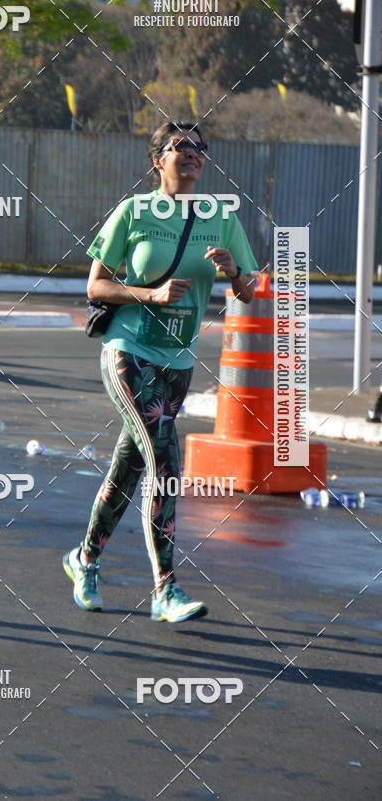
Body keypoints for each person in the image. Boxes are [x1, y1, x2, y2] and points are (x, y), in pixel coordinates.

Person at [63, 121, 257, 622]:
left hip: (179, 361)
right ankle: (165, 589)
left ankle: (84, 559)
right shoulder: (134, 211)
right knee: (166, 463)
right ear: (158, 161)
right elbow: (96, 287)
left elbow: (249, 291)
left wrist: (234, 271)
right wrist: (149, 294)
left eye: (200, 148)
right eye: (180, 147)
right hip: (128, 349)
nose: (192, 154)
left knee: (130, 465)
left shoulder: (222, 216)